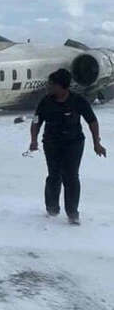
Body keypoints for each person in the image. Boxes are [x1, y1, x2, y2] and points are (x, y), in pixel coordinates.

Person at [29, 68, 106, 225]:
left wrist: (96, 143)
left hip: (73, 143)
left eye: (51, 84)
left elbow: (92, 121)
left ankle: (72, 213)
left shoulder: (77, 100)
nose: (48, 87)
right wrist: (33, 140)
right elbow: (36, 121)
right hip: (51, 142)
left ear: (61, 86)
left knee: (71, 176)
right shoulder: (46, 101)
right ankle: (52, 208)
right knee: (54, 175)